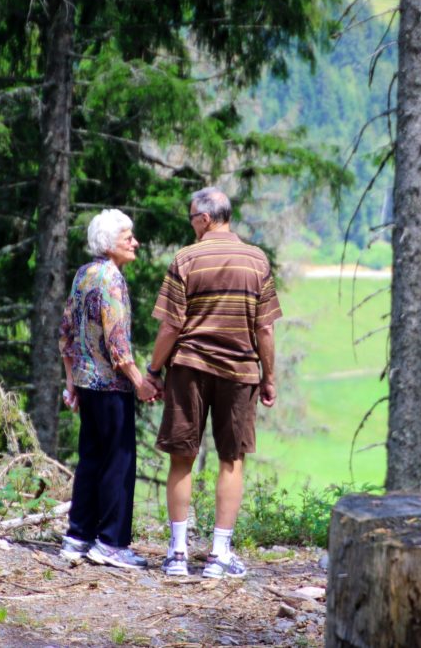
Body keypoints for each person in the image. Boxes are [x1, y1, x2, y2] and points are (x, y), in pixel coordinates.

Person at [144, 187, 281, 578]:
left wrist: (153, 372)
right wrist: (269, 378)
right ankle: (219, 556)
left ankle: (177, 554)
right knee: (231, 460)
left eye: (191, 219)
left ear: (205, 219)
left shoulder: (186, 258)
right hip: (239, 373)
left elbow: (171, 326)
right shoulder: (256, 260)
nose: (191, 226)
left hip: (188, 368)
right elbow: (265, 328)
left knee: (182, 458)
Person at [57, 209, 159, 570]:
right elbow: (118, 345)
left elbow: (66, 333)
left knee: (90, 460)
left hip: (86, 385)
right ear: (109, 243)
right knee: (119, 461)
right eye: (127, 236)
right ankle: (111, 543)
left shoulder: (84, 274)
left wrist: (71, 384)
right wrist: (141, 383)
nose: (135, 242)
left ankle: (77, 536)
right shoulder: (112, 280)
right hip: (112, 386)